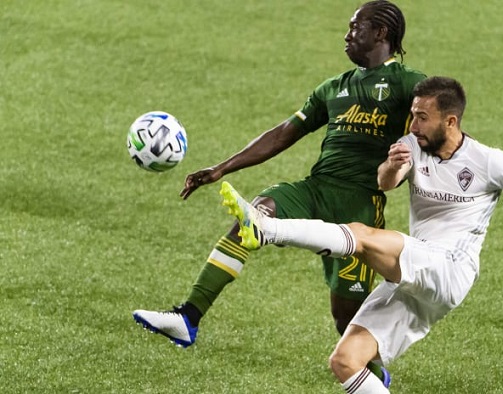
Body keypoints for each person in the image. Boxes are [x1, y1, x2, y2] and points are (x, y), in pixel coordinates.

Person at [218, 76, 503, 393]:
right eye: (413, 115)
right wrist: (391, 165)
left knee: (361, 236)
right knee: (346, 361)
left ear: (450, 121)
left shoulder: (488, 161)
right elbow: (386, 183)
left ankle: (266, 229)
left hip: (451, 268)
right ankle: (266, 230)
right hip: (415, 280)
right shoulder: (410, 146)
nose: (413, 124)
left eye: (421, 117)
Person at [133, 0, 425, 386]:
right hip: (314, 190)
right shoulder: (334, 88)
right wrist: (222, 167)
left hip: (360, 209)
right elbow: (284, 133)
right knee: (254, 217)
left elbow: (442, 124)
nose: (347, 34)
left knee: (345, 319)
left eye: (356, 27)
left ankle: (372, 377)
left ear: (381, 33)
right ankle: (188, 317)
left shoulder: (409, 84)